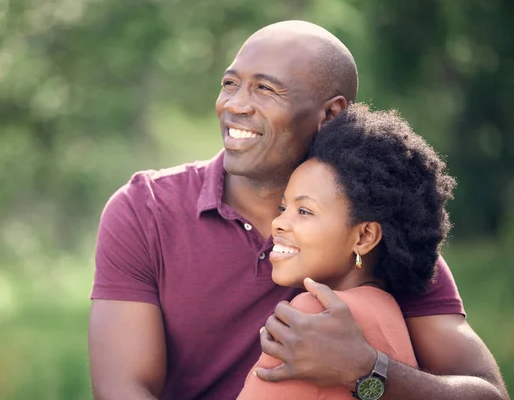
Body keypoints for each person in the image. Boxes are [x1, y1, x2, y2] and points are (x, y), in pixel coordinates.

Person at [88, 21, 509, 400]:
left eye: (265, 89)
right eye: (230, 83)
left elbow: (487, 393)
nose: (234, 104)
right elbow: (123, 389)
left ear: (331, 114)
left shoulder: (374, 229)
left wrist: (365, 369)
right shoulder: (144, 210)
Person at [237, 104, 452, 399]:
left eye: (304, 210)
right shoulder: (390, 313)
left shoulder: (311, 316)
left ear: (364, 236)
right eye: (283, 208)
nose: (278, 223)